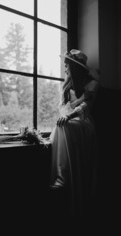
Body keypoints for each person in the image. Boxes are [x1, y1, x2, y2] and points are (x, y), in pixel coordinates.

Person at [49, 49, 99, 218]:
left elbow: (85, 107)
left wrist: (69, 116)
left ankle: (62, 177)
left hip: (83, 122)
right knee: (60, 127)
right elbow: (63, 109)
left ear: (75, 68)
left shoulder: (92, 84)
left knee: (66, 126)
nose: (65, 69)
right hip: (70, 122)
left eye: (67, 66)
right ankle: (61, 174)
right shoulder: (67, 86)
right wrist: (65, 117)